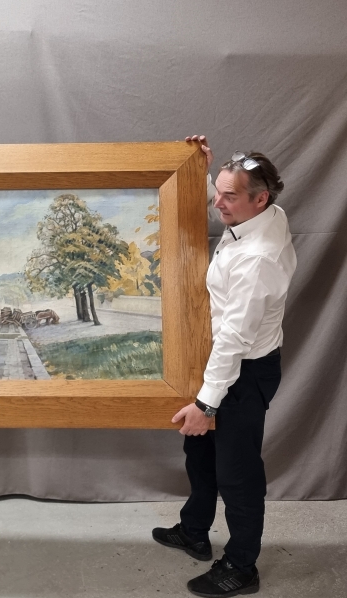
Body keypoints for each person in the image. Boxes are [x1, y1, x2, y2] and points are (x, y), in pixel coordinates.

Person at [152, 135, 297, 597]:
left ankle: (241, 566)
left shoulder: (258, 259)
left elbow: (234, 339)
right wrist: (199, 170)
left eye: (228, 197)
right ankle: (194, 532)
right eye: (218, 191)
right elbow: (230, 192)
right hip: (222, 361)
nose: (217, 203)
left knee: (237, 473)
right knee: (200, 455)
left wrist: (205, 405)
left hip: (244, 372)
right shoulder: (263, 214)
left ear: (261, 199)